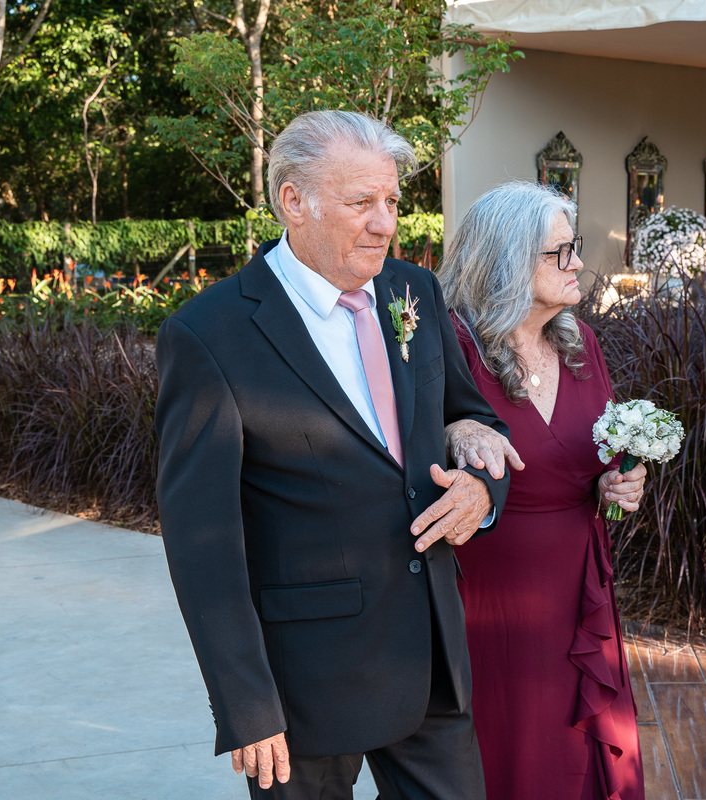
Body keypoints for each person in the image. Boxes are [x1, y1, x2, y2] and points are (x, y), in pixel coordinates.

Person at [154, 110, 515, 800]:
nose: (385, 223)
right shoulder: (209, 335)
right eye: (362, 203)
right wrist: (245, 705)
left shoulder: (415, 292)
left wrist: (478, 488)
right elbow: (203, 543)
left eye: (391, 202)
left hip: (429, 657)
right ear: (294, 200)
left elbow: (470, 418)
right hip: (303, 688)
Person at [440, 181, 648, 800]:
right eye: (561, 251)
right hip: (489, 594)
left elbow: (602, 453)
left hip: (578, 582)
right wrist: (454, 426)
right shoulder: (454, 344)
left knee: (578, 749)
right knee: (508, 750)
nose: (579, 263)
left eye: (574, 246)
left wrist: (624, 480)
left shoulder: (581, 344)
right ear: (508, 260)